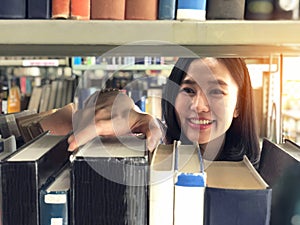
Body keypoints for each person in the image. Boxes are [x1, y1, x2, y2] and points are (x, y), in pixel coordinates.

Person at [68, 57, 260, 167]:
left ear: (238, 106)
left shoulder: (259, 174)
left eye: (216, 91)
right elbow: (98, 102)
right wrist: (122, 105)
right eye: (189, 90)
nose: (198, 106)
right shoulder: (157, 142)